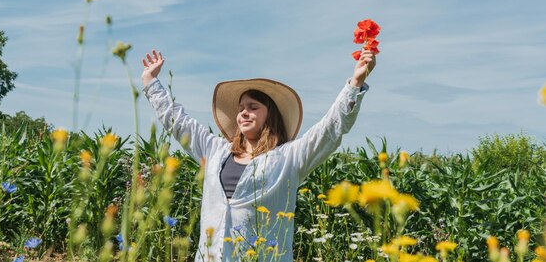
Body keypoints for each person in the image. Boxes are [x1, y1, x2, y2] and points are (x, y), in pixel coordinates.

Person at [141, 48, 376, 262]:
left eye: (253, 107)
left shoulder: (289, 158)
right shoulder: (215, 150)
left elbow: (329, 130)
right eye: (241, 108)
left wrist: (354, 84)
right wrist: (151, 83)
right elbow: (181, 124)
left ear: (269, 115)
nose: (244, 112)